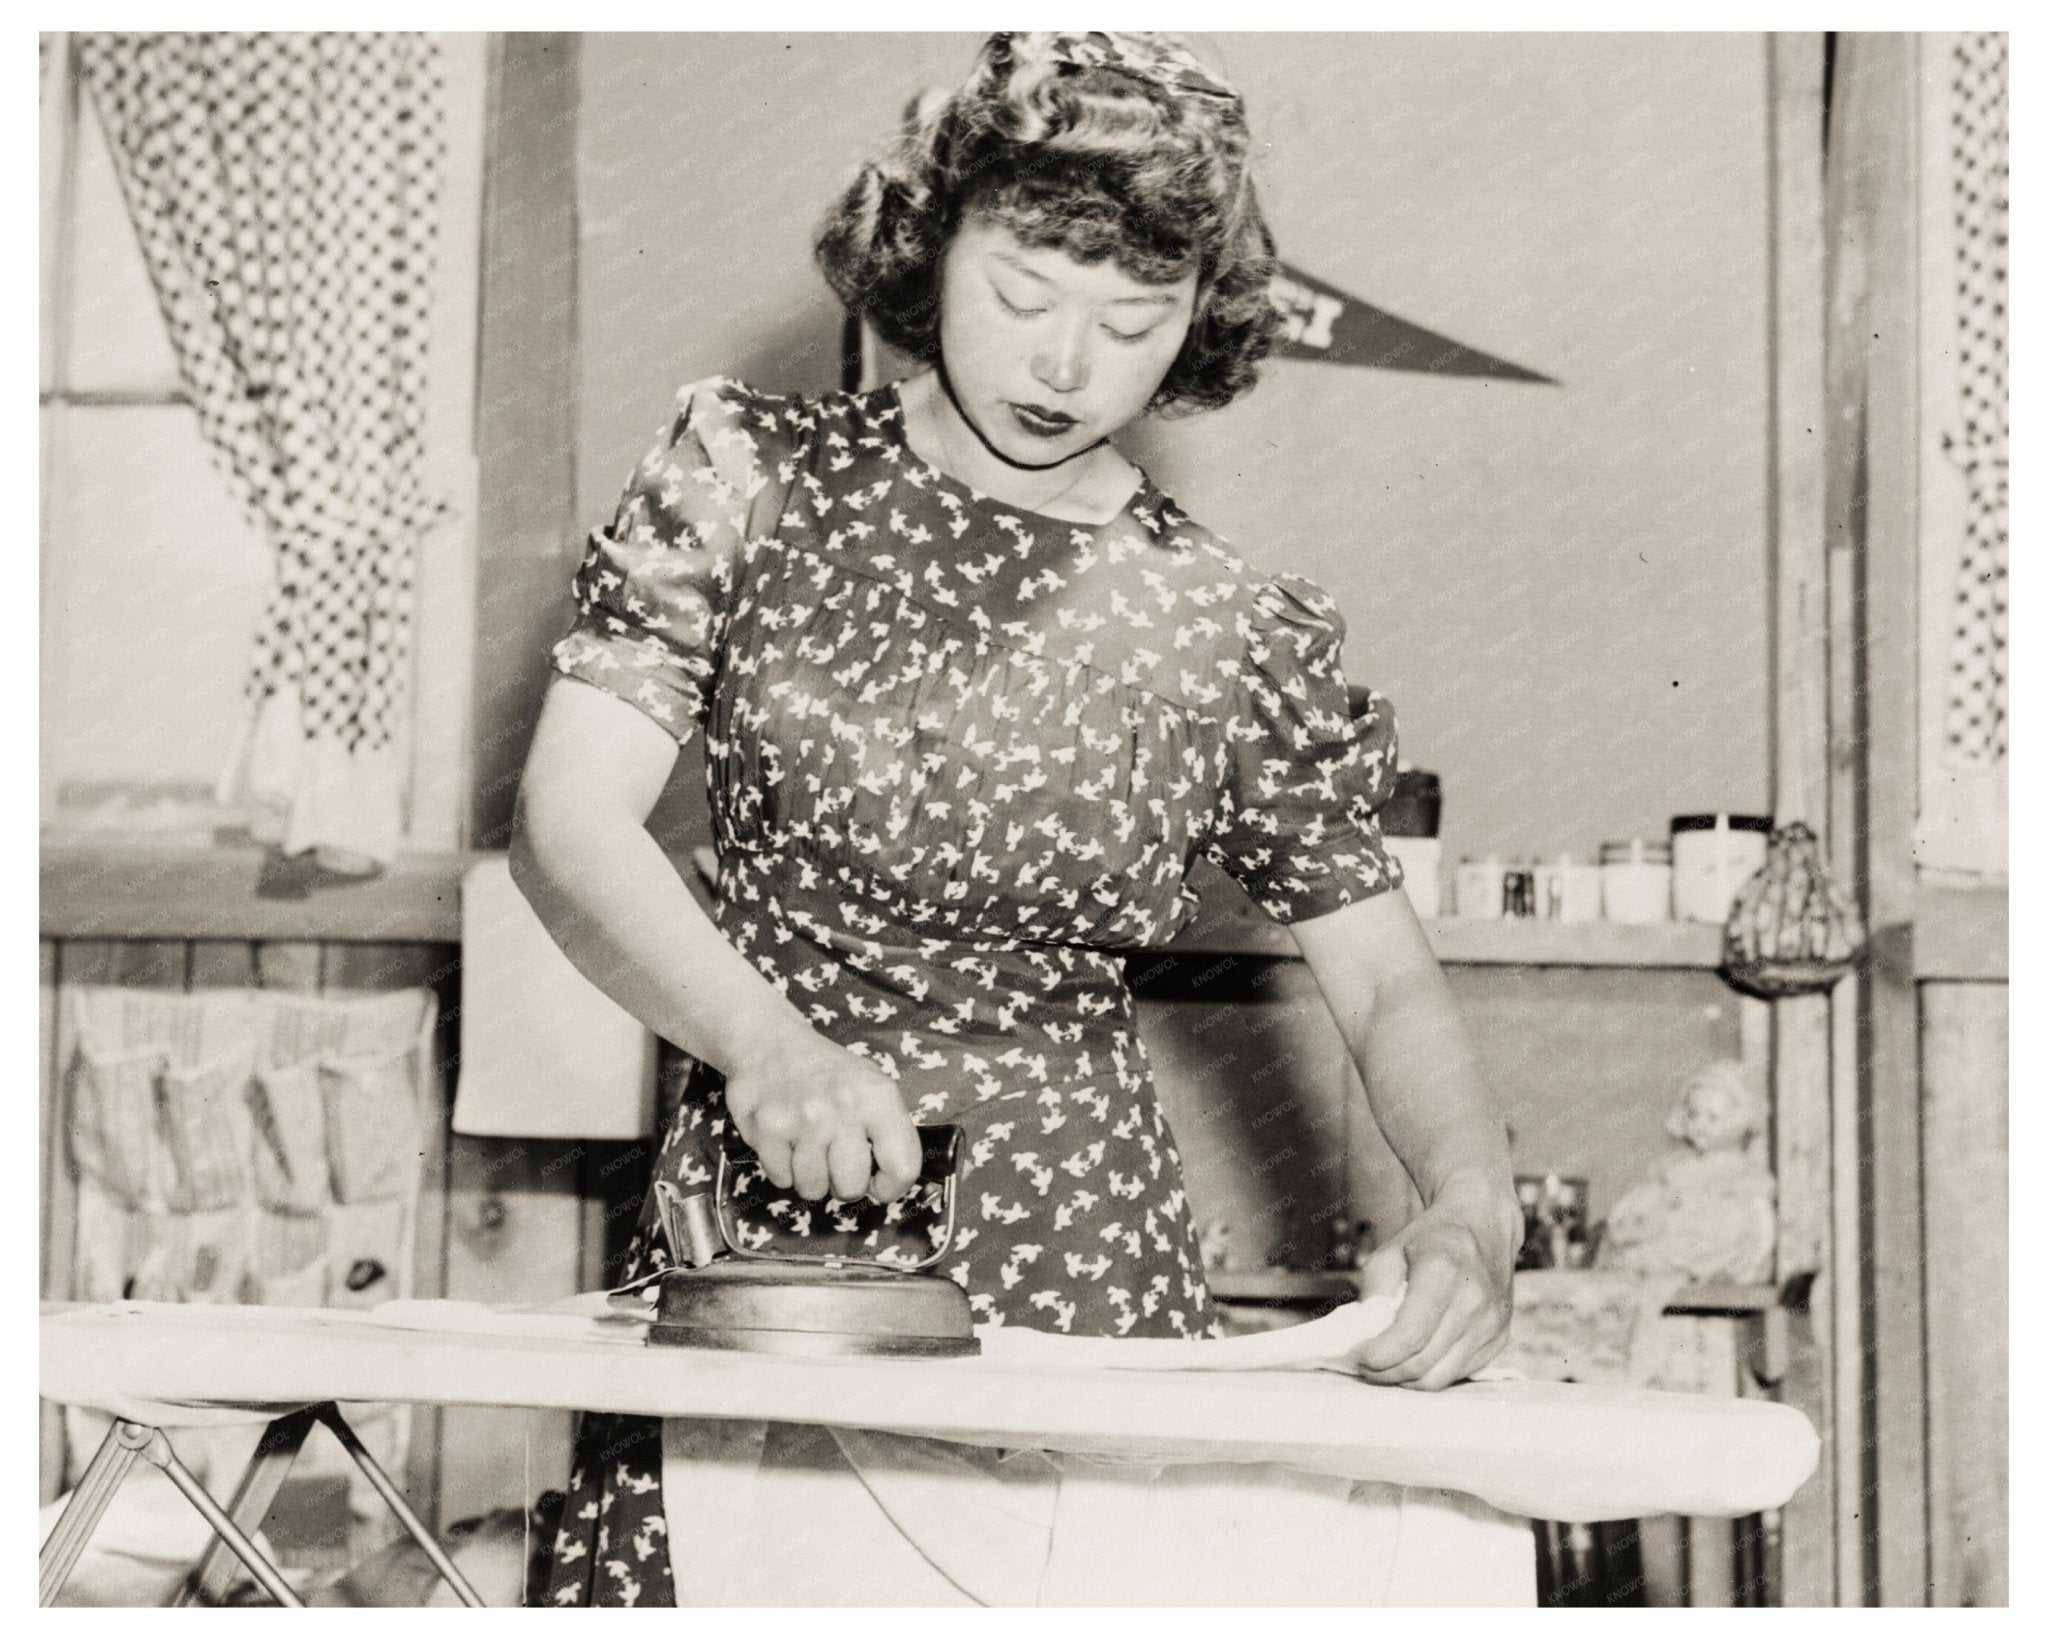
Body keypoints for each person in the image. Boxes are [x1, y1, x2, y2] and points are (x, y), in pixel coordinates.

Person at [512, 30, 1523, 1607]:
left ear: (1200, 322)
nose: (1065, 369)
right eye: (1022, 295)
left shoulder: (1227, 623)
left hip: (1086, 1266)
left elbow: (1387, 979)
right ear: (926, 256)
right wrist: (765, 1043)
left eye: (1134, 322)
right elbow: (567, 824)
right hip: (771, 1247)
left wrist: (1473, 1207)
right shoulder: (749, 477)